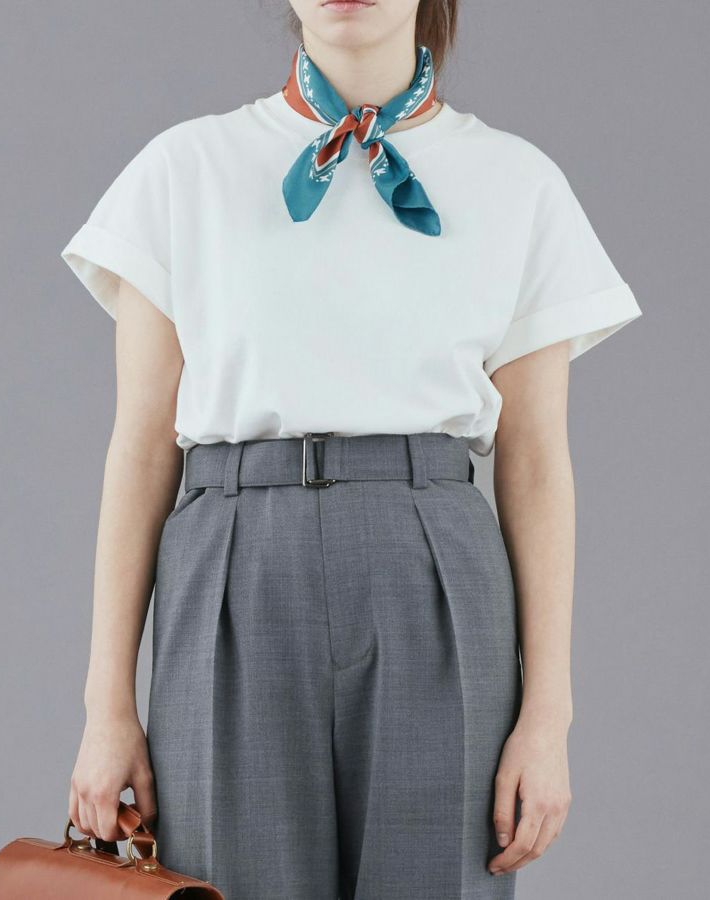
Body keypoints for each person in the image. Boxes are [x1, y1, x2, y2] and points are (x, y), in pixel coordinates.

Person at [60, 2, 642, 898]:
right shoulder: (184, 169)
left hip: (435, 572)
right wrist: (106, 707)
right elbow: (140, 450)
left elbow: (534, 461)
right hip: (232, 570)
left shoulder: (517, 181)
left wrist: (549, 716)